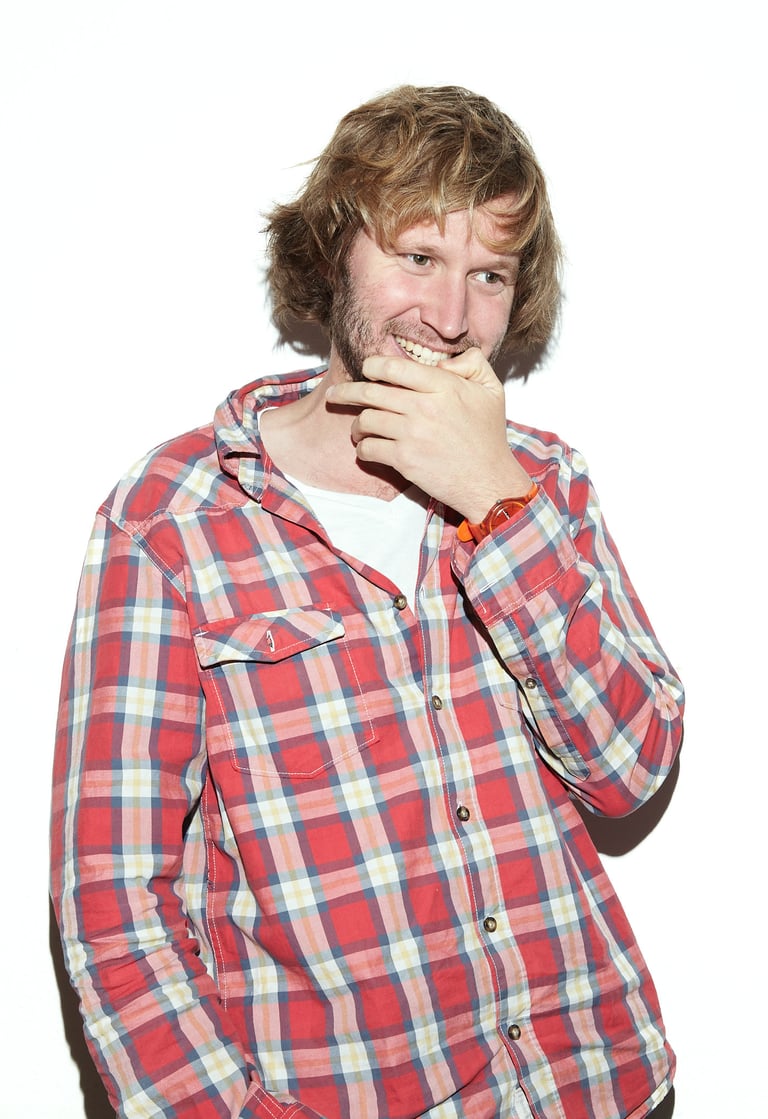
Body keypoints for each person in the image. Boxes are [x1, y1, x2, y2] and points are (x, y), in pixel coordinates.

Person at [50, 85, 684, 1119]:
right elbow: (114, 909)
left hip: (600, 1087)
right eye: (418, 257)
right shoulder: (169, 520)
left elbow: (631, 772)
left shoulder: (545, 485)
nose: (449, 316)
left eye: (489, 273)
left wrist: (493, 506)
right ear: (336, 249)